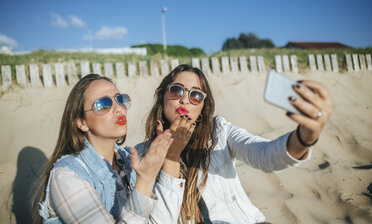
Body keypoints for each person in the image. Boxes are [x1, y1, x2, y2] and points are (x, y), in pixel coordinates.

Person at [139, 64, 333, 223]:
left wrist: (304, 138)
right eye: (177, 90)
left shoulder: (219, 131)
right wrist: (170, 155)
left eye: (196, 95)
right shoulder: (141, 156)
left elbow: (265, 155)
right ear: (162, 96)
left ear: (202, 107)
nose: (184, 100)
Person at [35, 74, 174, 223]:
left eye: (119, 99)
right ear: (82, 123)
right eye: (103, 105)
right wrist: (145, 180)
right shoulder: (67, 175)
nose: (119, 109)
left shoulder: (129, 159)